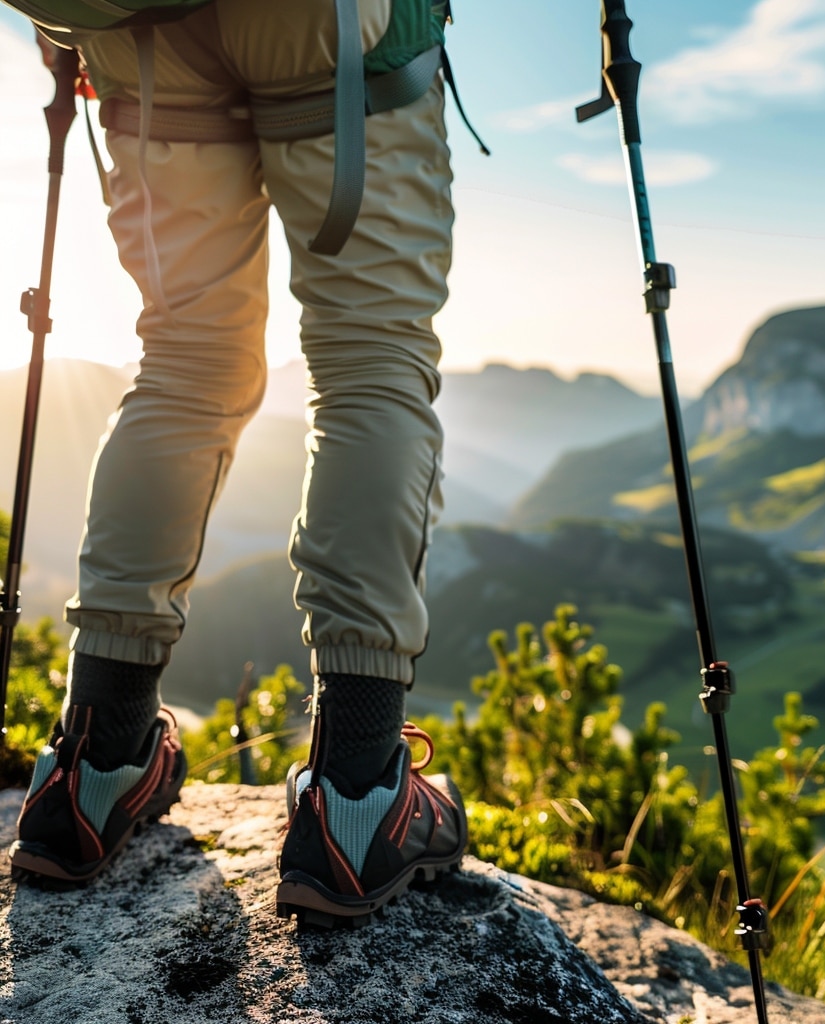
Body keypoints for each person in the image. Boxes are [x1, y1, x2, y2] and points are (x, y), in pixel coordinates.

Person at [10, 0, 467, 928]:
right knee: (373, 359)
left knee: (181, 360)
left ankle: (94, 766)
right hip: (323, 20)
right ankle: (358, 792)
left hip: (131, 22)